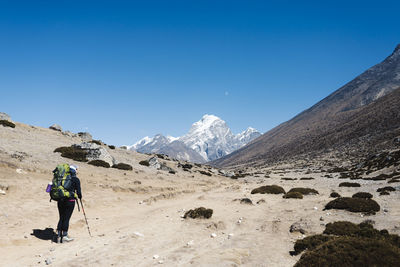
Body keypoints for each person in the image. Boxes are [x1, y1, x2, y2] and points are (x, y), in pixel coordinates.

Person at [56, 164, 82, 243]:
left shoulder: (61, 178)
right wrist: (79, 197)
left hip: (60, 200)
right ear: (74, 171)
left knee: (61, 217)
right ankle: (64, 236)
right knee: (66, 218)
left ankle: (58, 236)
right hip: (70, 201)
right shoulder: (76, 179)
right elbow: (79, 193)